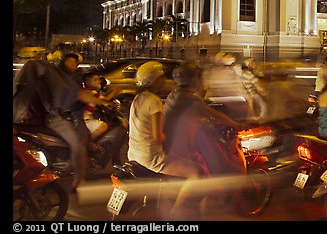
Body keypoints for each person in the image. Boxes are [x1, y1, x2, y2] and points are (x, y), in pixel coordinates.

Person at [13, 55, 112, 191]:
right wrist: (104, 102)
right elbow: (76, 95)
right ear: (63, 61)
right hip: (56, 117)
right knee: (78, 143)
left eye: (76, 63)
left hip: (57, 116)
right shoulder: (55, 77)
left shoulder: (59, 77)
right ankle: (79, 179)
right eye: (71, 62)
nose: (74, 65)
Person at [163, 61, 247, 216]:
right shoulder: (192, 101)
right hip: (183, 151)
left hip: (168, 146)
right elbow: (215, 115)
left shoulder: (173, 96)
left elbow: (189, 116)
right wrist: (237, 124)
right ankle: (178, 210)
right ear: (194, 80)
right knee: (215, 169)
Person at [127, 61, 201, 178]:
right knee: (195, 172)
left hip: (133, 155)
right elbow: (158, 136)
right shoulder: (154, 101)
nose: (164, 81)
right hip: (151, 158)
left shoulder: (138, 98)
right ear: (155, 80)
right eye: (162, 78)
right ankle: (181, 197)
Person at [81, 71, 128, 167]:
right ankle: (88, 143)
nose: (98, 82)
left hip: (87, 118)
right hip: (84, 120)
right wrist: (113, 92)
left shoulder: (92, 92)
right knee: (102, 126)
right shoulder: (89, 91)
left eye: (98, 79)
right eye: (95, 80)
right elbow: (104, 99)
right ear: (88, 83)